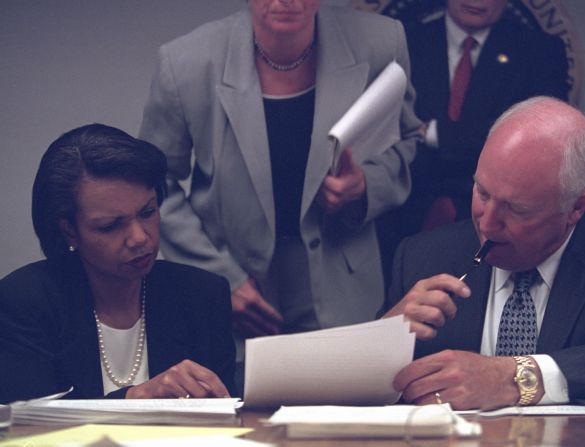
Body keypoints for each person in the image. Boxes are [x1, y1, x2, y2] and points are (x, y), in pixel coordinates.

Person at [138, 0, 420, 352]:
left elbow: (409, 141)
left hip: (344, 284)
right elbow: (150, 183)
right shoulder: (185, 63)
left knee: (347, 401)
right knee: (240, 402)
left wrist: (365, 185)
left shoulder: (382, 41)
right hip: (237, 286)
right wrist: (218, 278)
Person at [383, 96, 585, 410]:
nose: (487, 225)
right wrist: (383, 337)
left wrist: (515, 376)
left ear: (576, 206)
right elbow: (372, 392)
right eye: (482, 192)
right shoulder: (422, 256)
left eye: (517, 209)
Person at [0, 124, 236, 404]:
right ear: (69, 231)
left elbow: (226, 414)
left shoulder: (203, 295)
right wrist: (132, 398)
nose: (139, 237)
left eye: (148, 212)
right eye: (110, 226)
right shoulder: (25, 300)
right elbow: (27, 425)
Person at [402, 0, 569, 228]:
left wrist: (432, 133)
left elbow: (537, 137)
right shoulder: (405, 42)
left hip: (499, 215)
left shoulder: (541, 51)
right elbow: (390, 130)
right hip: (407, 206)